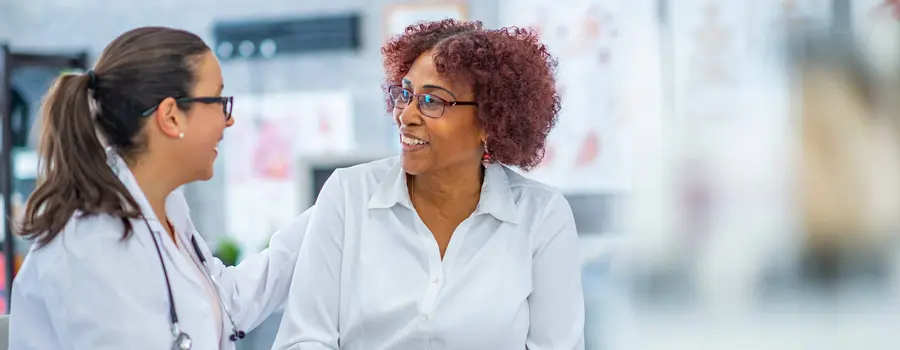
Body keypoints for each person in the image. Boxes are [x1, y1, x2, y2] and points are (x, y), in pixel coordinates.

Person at [272, 19, 584, 350]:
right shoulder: (348, 195)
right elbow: (304, 338)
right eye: (405, 94)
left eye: (432, 101)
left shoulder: (542, 217)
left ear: (490, 122)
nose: (406, 115)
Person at [9, 26, 310, 350]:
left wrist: (336, 204)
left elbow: (227, 303)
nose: (228, 120)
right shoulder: (93, 244)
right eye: (218, 100)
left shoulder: (165, 211)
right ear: (171, 117)